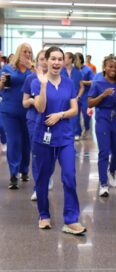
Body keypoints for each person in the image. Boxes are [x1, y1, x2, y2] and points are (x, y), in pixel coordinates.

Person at [31, 46, 86, 235]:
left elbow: (74, 110)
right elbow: (39, 108)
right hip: (43, 137)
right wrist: (44, 85)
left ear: (64, 62)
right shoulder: (37, 81)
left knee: (69, 176)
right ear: (46, 61)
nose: (56, 62)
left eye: (59, 59)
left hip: (65, 137)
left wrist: (60, 115)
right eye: (52, 59)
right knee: (42, 178)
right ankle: (44, 214)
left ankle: (70, 220)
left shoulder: (69, 83)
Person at [88, 55, 116, 197]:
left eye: (115, 67)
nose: (113, 69)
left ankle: (112, 171)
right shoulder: (97, 83)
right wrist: (102, 95)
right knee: (104, 152)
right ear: (104, 68)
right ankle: (103, 184)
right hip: (103, 119)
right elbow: (90, 103)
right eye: (110, 66)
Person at [22, 49, 54, 201]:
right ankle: (38, 188)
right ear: (38, 61)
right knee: (36, 154)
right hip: (34, 121)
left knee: (51, 154)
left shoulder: (57, 79)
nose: (44, 62)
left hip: (51, 122)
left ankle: (48, 175)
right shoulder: (31, 79)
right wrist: (33, 101)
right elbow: (24, 102)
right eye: (41, 59)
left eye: (46, 59)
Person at [0, 43, 32, 189]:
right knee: (14, 141)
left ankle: (24, 170)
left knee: (26, 141)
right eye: (25, 51)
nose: (27, 54)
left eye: (30, 52)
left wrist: (32, 69)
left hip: (28, 111)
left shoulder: (32, 71)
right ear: (19, 52)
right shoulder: (7, 69)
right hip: (9, 111)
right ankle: (13, 174)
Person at [61, 52, 84, 141]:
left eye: (65, 58)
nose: (63, 60)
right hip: (64, 98)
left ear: (70, 59)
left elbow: (82, 87)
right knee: (64, 115)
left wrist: (78, 96)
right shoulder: (61, 71)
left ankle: (76, 132)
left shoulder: (77, 72)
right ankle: (65, 132)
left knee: (76, 116)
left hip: (75, 98)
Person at [74, 52, 94, 138]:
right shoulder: (73, 70)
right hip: (76, 95)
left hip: (86, 95)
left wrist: (83, 82)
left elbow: (93, 81)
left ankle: (86, 127)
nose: (75, 61)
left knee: (86, 114)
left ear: (81, 60)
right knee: (75, 115)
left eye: (76, 59)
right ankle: (77, 132)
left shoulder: (88, 70)